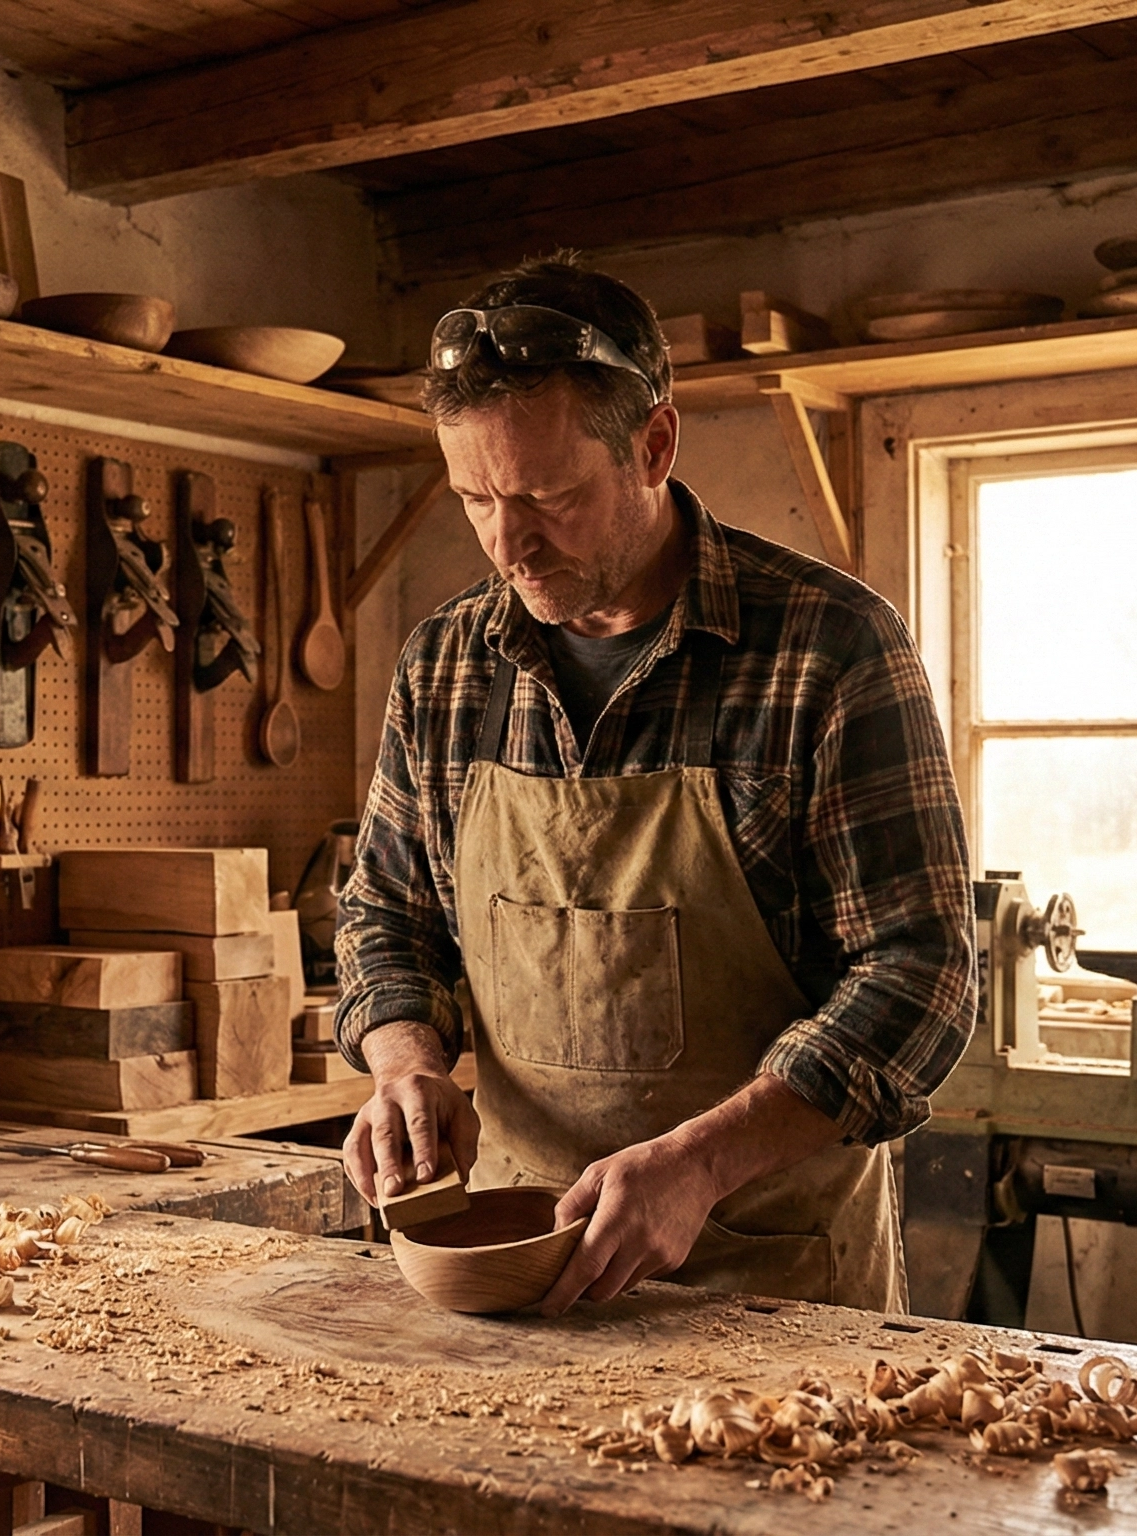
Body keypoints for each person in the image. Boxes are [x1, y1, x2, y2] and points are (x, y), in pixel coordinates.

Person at [334, 255, 974, 1316]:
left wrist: (699, 1163)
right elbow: (387, 916)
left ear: (654, 446)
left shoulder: (827, 649)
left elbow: (920, 977)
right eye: (474, 499)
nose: (510, 544)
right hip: (514, 1265)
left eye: (547, 495)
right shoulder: (446, 664)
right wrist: (404, 1065)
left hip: (769, 1274)